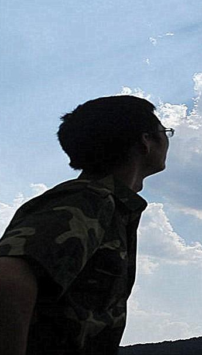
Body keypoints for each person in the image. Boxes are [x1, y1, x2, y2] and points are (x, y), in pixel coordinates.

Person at [0, 95, 171, 355]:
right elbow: (8, 278)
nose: (168, 139)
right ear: (145, 140)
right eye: (164, 131)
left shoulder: (108, 206)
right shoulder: (86, 201)